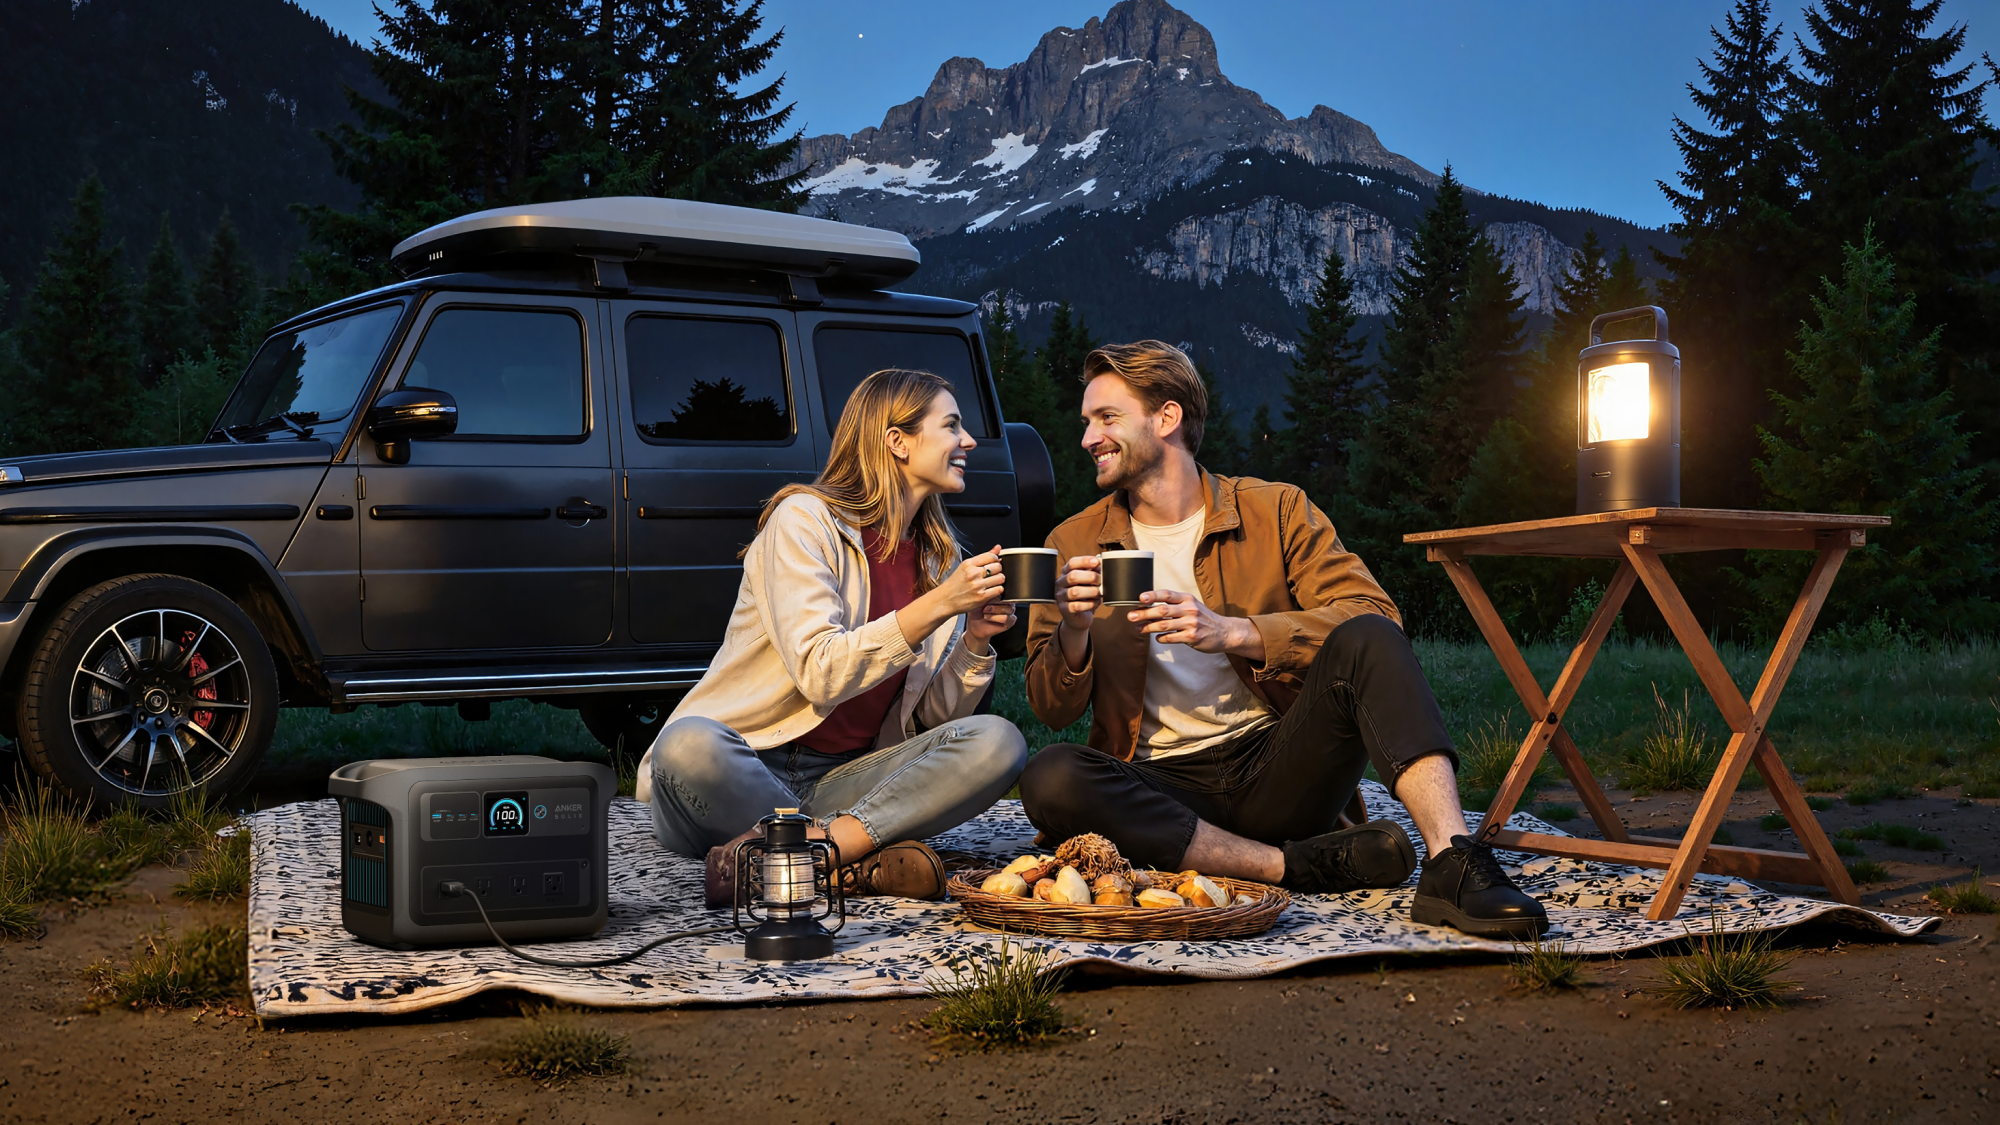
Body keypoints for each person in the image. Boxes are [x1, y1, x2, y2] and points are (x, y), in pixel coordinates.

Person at [1018, 341, 1547, 938]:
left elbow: (1374, 612)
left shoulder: (1276, 509)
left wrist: (1236, 631)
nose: (1088, 438)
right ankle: (1293, 866)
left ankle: (1453, 863)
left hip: (1277, 768)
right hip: (1159, 791)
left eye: (1106, 418)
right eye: (1086, 422)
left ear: (1166, 418)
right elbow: (1050, 707)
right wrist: (1075, 628)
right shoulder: (1074, 540)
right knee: (1050, 776)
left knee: (1368, 636)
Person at [637, 367, 1028, 905]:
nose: (969, 441)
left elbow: (927, 724)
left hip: (848, 783)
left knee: (998, 741)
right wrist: (940, 605)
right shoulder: (805, 522)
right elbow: (821, 673)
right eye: (952, 426)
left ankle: (808, 855)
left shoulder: (939, 561)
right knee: (686, 745)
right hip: (748, 767)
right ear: (897, 441)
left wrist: (975, 642)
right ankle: (848, 863)